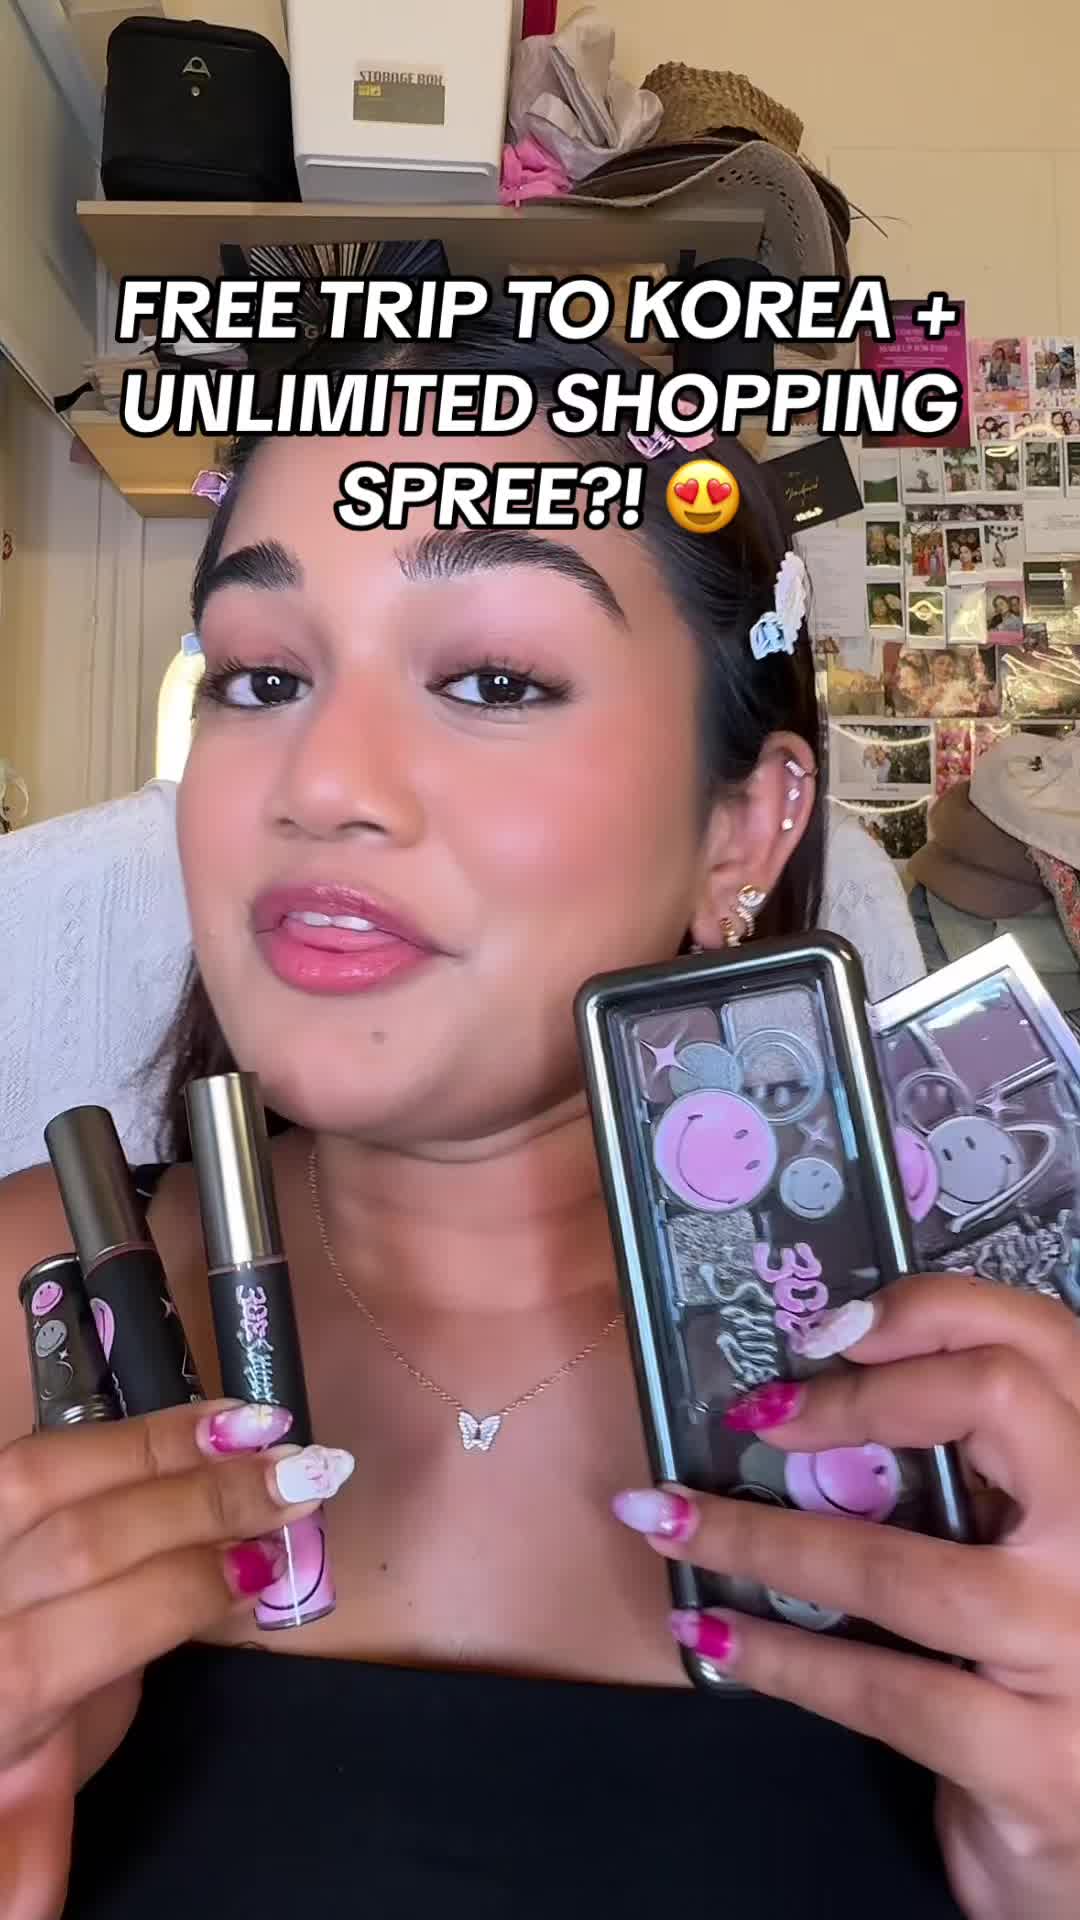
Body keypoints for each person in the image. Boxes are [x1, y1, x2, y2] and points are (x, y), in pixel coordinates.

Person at [1, 312, 1079, 1920]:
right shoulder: (34, 1302)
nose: (318, 783)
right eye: (261, 677)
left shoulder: (1006, 1402)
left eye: (494, 678)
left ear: (745, 828)